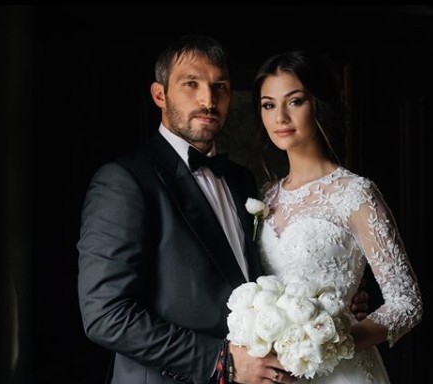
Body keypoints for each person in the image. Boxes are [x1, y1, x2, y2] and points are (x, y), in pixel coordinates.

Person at [77, 35, 367, 384]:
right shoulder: (125, 181)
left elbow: (258, 276)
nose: (208, 100)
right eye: (191, 84)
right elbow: (106, 315)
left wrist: (327, 303)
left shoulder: (241, 180)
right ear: (159, 94)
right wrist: (221, 363)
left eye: (220, 87)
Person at [251, 49, 423, 383]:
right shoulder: (264, 195)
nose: (280, 117)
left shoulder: (355, 194)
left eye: (295, 101)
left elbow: (407, 302)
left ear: (319, 103)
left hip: (344, 370)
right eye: (268, 105)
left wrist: (331, 342)